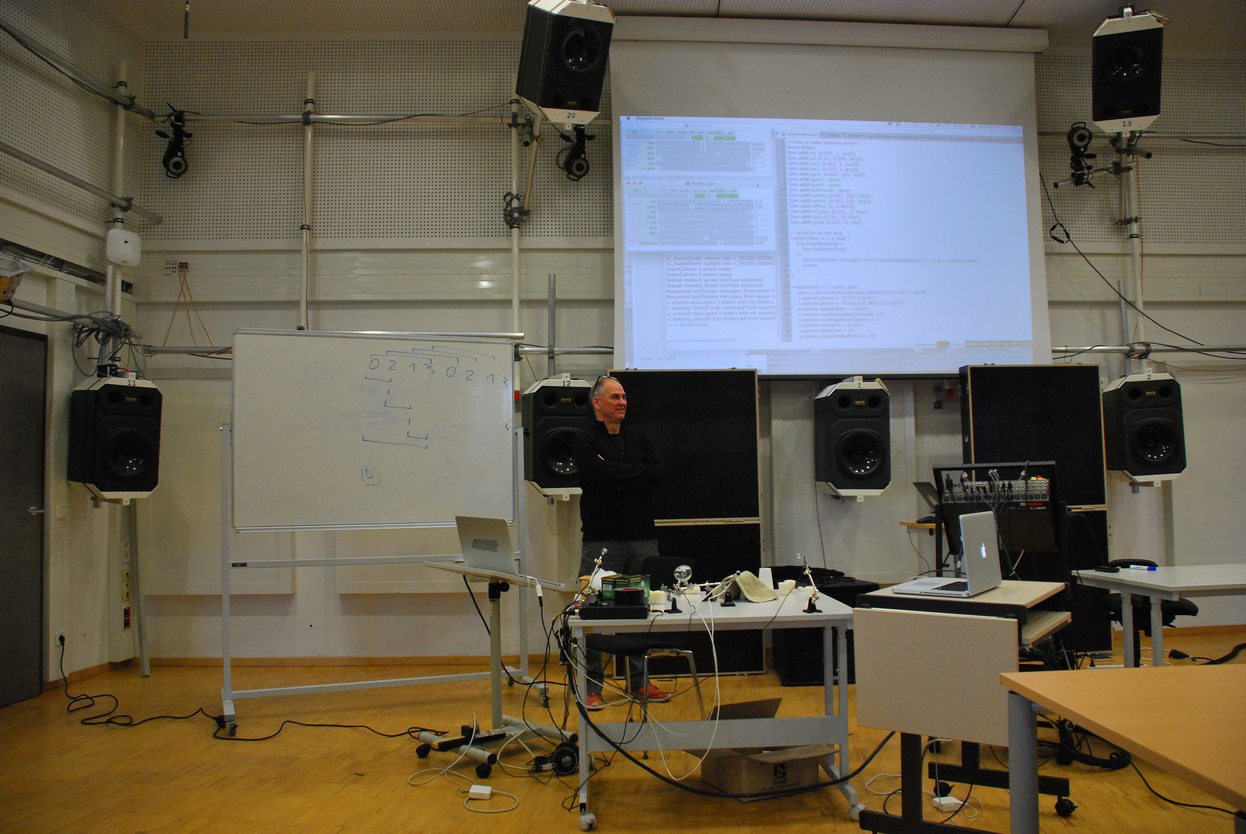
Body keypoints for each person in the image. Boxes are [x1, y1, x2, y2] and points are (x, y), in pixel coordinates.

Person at [572, 375, 669, 710]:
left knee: (641, 611)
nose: (622, 402)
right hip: (602, 539)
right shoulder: (584, 441)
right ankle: (591, 686)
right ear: (597, 403)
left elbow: (658, 476)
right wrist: (635, 473)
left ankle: (640, 683)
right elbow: (597, 475)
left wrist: (617, 472)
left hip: (642, 538)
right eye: (615, 397)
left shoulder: (641, 438)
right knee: (592, 613)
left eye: (624, 396)